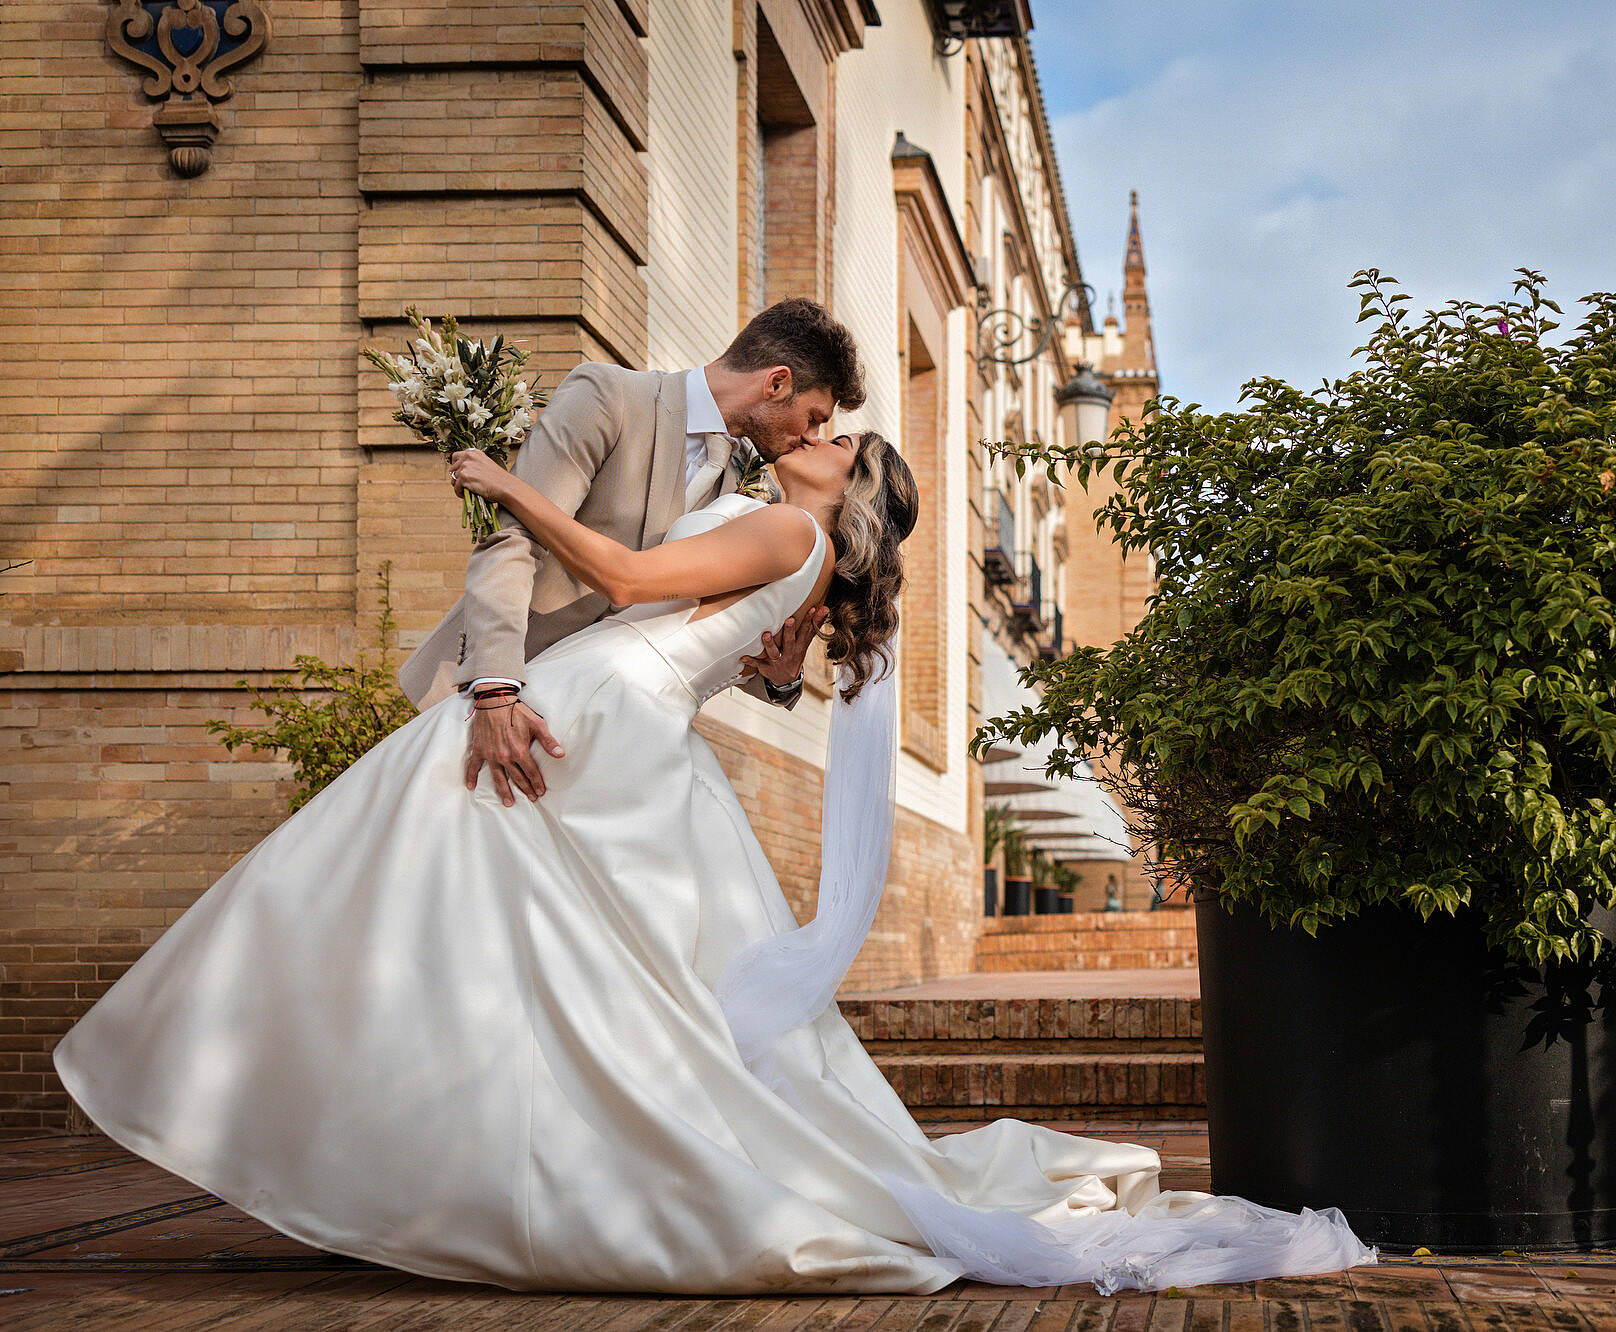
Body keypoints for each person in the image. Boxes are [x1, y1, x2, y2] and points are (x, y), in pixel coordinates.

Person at [54, 429, 1378, 1295]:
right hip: (633, 719)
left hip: (609, 712)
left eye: (835, 438)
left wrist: (511, 484)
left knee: (458, 886)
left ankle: (337, 1105)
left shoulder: (787, 532)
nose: (809, 433)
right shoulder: (781, 538)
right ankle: (451, 1140)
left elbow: (629, 576)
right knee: (567, 955)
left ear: (845, 484)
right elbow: (728, 626)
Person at [398, 297, 865, 809]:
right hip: (495, 696)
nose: (812, 438)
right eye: (814, 417)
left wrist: (782, 680)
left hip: (595, 735)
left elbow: (706, 629)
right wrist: (495, 689)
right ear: (776, 383)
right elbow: (512, 540)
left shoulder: (763, 496)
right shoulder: (608, 396)